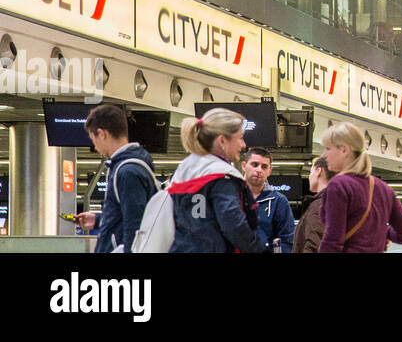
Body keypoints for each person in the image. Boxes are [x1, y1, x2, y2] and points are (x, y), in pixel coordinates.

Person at [169, 108, 264, 253]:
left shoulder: (182, 171)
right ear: (222, 141)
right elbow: (233, 225)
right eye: (240, 137)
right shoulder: (222, 177)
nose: (243, 145)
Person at [318, 122, 402, 253]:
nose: (323, 155)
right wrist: (383, 231)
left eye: (327, 148)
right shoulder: (384, 188)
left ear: (344, 150)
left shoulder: (338, 185)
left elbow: (332, 241)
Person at [75, 104, 156, 253]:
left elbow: (135, 225)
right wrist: (99, 220)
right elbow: (125, 216)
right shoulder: (126, 167)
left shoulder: (127, 172)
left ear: (102, 134)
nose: (95, 146)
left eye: (93, 139)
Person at [243, 146, 295, 252]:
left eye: (264, 167)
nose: (259, 170)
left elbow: (287, 240)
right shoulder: (232, 197)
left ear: (269, 171)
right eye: (254, 164)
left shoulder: (279, 201)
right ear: (244, 166)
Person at [293, 156, 335, 253]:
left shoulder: (319, 205)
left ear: (318, 171)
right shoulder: (336, 203)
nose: (309, 176)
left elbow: (314, 244)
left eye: (310, 172)